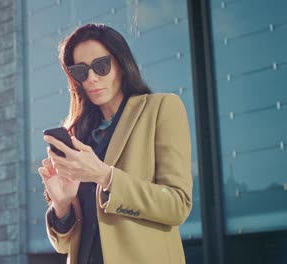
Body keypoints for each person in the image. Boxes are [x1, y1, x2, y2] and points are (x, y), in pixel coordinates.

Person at [37, 23, 193, 264]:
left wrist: (105, 176)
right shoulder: (78, 135)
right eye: (81, 71)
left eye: (101, 66)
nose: (91, 79)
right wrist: (62, 204)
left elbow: (177, 205)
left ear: (121, 63)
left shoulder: (162, 108)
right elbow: (63, 245)